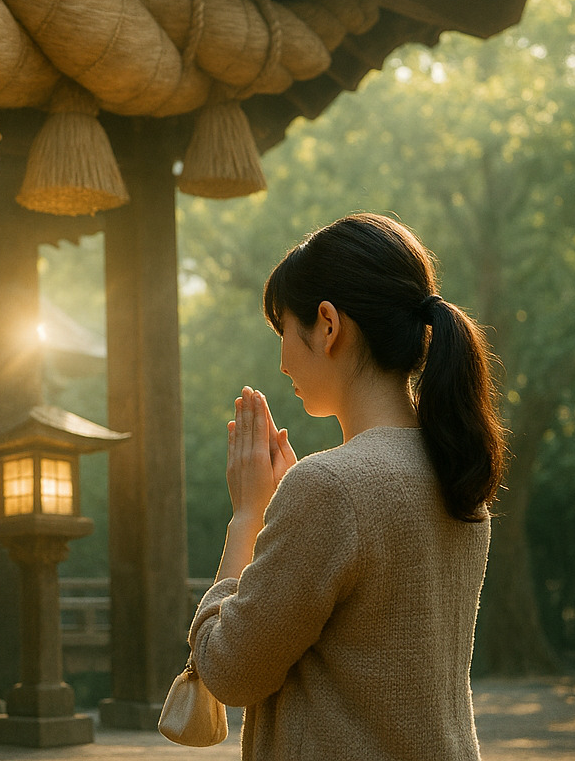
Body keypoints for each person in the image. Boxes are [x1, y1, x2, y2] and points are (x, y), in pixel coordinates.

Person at [188, 213, 508, 761]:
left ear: (328, 325)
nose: (283, 359)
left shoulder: (331, 487)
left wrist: (248, 515)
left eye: (286, 330)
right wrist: (291, 517)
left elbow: (230, 673)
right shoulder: (455, 466)